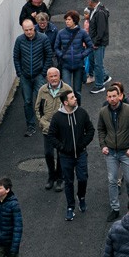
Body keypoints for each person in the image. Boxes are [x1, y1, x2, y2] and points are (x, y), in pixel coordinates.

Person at [98, 81, 129, 220]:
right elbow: (101, 129)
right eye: (109, 96)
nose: (112, 99)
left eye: (114, 96)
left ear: (120, 96)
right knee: (112, 180)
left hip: (126, 152)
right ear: (107, 98)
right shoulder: (103, 112)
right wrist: (103, 145)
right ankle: (115, 208)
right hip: (111, 152)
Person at [49, 88, 94, 221]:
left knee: (83, 178)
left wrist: (82, 144)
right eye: (72, 97)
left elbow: (90, 130)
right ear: (65, 102)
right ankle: (70, 206)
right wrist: (62, 147)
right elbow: (51, 136)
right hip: (65, 156)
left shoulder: (81, 113)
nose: (76, 99)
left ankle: (81, 197)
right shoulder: (57, 117)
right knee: (68, 181)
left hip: (81, 154)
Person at [13, 19, 54, 137]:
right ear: (23, 30)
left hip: (38, 75)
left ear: (34, 27)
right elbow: (16, 57)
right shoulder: (19, 40)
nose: (29, 32)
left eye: (31, 29)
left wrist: (43, 72)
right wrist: (20, 73)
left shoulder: (43, 38)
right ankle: (30, 125)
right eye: (26, 30)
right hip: (25, 76)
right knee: (27, 102)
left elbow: (48, 55)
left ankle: (45, 122)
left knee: (43, 100)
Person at [35, 67, 73, 191]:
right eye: (50, 77)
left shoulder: (67, 89)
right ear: (47, 78)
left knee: (61, 154)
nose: (53, 79)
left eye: (55, 76)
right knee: (48, 153)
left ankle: (60, 178)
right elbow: (37, 108)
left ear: (59, 76)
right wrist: (43, 123)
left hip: (62, 130)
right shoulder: (42, 90)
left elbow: (72, 107)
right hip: (47, 129)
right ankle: (51, 176)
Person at [55, 10, 91, 101]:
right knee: (67, 90)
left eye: (69, 19)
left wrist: (82, 55)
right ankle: (68, 110)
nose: (67, 21)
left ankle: (77, 109)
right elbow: (56, 48)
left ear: (75, 20)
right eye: (66, 19)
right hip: (65, 65)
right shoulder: (61, 33)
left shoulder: (82, 33)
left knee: (77, 91)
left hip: (78, 65)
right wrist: (61, 55)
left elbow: (90, 46)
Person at [86, 0, 112, 93]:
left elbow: (101, 30)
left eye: (88, 0)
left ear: (91, 1)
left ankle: (99, 85)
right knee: (94, 60)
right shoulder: (97, 9)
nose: (87, 1)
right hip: (95, 42)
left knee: (98, 64)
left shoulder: (100, 12)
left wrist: (96, 43)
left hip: (98, 43)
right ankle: (104, 77)